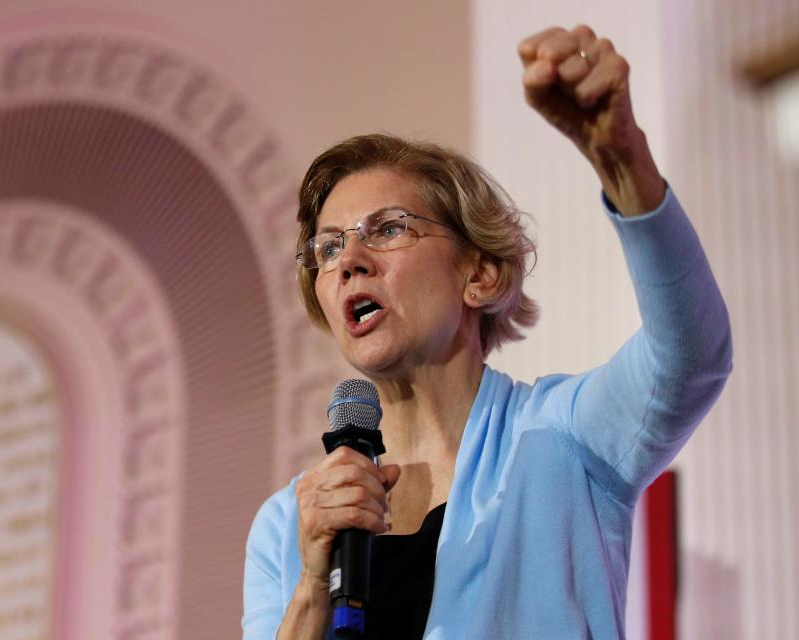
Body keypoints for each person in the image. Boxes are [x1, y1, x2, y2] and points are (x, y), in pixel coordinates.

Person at [243, 25, 732, 639]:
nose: (349, 260)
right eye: (331, 247)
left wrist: (624, 161)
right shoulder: (287, 525)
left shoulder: (562, 438)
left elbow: (691, 357)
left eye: (388, 229)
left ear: (480, 273)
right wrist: (313, 585)